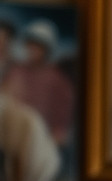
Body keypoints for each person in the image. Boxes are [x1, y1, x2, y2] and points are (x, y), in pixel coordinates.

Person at [1, 19, 75, 150]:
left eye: (38, 46)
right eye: (30, 44)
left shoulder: (57, 79)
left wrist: (54, 139)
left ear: (47, 49)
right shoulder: (15, 71)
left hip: (42, 144)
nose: (33, 49)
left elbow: (63, 118)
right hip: (12, 140)